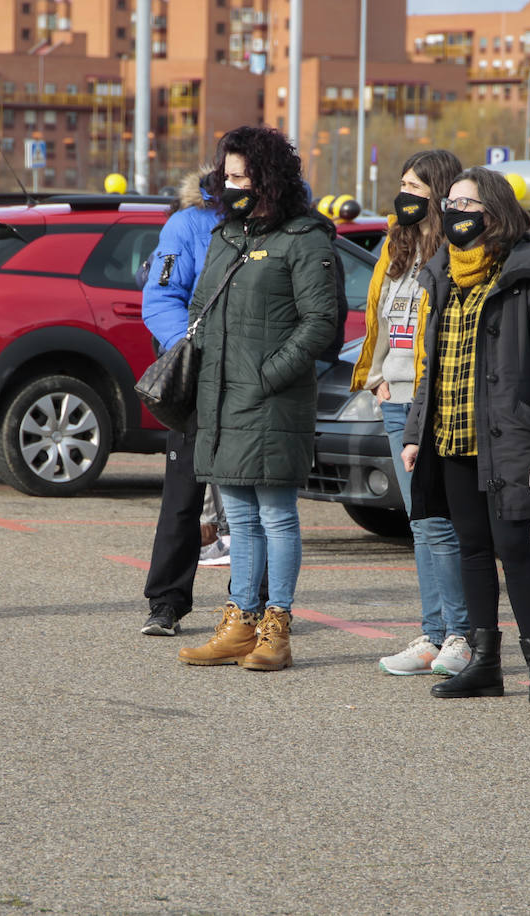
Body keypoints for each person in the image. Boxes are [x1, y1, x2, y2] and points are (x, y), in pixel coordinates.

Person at [400, 166, 530, 707]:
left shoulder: (529, 273)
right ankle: (484, 664)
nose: (455, 212)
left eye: (467, 204)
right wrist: (415, 431)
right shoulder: (442, 273)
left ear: (494, 212)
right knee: (471, 550)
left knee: (513, 549)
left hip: (508, 437)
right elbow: (429, 364)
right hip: (449, 435)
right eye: (450, 203)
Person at [176, 125, 338, 672]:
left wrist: (268, 375)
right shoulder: (227, 236)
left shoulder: (306, 238)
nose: (230, 185)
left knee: (277, 515)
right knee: (238, 521)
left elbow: (321, 325)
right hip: (222, 398)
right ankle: (240, 620)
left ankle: (277, 627)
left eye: (241, 176)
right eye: (227, 176)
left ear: (267, 178)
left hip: (270, 401)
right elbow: (201, 307)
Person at [350, 149, 472, 677]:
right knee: (421, 524)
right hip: (394, 400)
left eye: (416, 188)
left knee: (441, 523)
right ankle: (433, 633)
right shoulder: (393, 248)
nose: (405, 196)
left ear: (440, 195)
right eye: (402, 184)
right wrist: (375, 377)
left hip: (435, 403)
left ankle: (460, 636)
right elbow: (379, 316)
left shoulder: (455, 254)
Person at [139, 166, 228, 636]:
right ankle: (166, 603)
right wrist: (191, 352)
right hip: (198, 379)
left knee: (259, 506)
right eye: (231, 170)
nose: (238, 180)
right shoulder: (189, 223)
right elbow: (160, 298)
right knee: (182, 498)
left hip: (255, 383)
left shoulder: (290, 222)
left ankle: (257, 606)